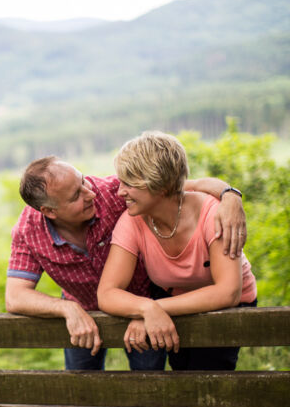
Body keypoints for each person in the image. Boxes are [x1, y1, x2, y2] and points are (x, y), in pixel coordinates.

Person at [6, 154, 247, 371]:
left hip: (141, 303)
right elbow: (16, 297)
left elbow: (178, 187)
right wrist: (67, 309)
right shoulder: (28, 232)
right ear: (49, 211)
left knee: (148, 380)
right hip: (81, 310)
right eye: (76, 195)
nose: (89, 193)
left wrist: (231, 195)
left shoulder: (113, 193)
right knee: (81, 387)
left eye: (83, 181)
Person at [97, 131, 257, 370]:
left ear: (159, 185)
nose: (120, 192)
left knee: (208, 382)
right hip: (171, 298)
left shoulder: (212, 214)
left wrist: (154, 309)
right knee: (183, 375)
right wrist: (146, 308)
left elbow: (228, 292)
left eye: (129, 184)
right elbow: (107, 293)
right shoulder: (133, 221)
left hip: (227, 307)